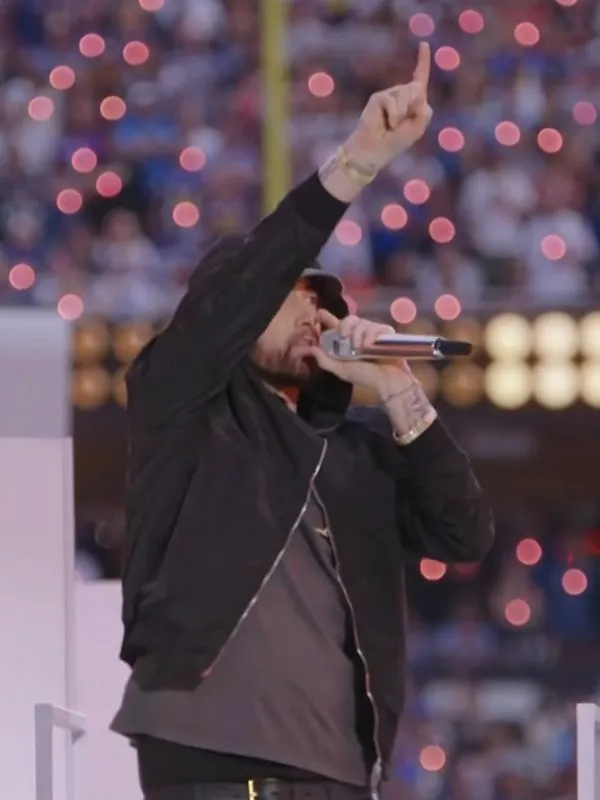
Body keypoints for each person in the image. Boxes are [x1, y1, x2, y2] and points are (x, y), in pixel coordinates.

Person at [111, 43, 494, 800]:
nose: (314, 312)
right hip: (212, 754)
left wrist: (397, 392)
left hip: (340, 773)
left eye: (322, 301)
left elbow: (465, 534)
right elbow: (242, 289)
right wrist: (359, 160)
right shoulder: (185, 409)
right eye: (292, 296)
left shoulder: (354, 452)